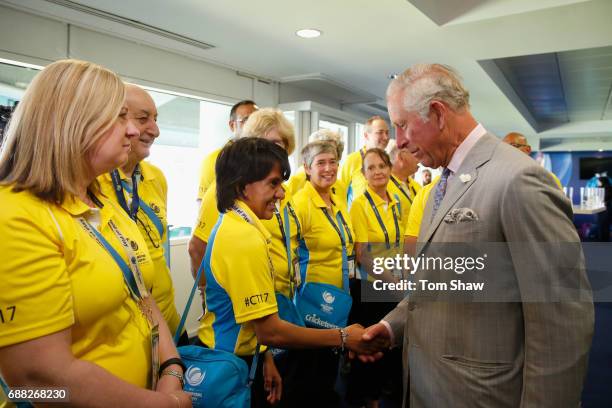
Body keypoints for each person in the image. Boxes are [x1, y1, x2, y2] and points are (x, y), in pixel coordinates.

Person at [361, 63, 594, 407]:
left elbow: (561, 322)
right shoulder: (442, 183)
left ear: (438, 114)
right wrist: (393, 326)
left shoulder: (517, 180)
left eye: (403, 125)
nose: (400, 141)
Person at [0, 59, 191, 407]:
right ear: (72, 122)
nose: (133, 131)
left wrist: (171, 368)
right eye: (119, 117)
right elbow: (33, 382)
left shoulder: (100, 200)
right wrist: (163, 404)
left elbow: (141, 295)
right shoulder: (14, 216)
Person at [196, 138, 385, 407]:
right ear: (241, 186)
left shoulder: (240, 225)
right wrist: (343, 337)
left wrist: (266, 358)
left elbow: (253, 322)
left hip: (248, 356)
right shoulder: (243, 238)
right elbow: (270, 332)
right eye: (273, 183)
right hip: (232, 363)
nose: (282, 193)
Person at [98, 84, 184, 342]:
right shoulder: (93, 181)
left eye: (155, 119)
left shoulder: (155, 177)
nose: (155, 130)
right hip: (125, 329)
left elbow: (158, 247)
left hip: (168, 316)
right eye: (143, 118)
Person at [188, 108, 295, 290]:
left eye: (279, 144)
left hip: (283, 295)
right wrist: (209, 294)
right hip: (245, 300)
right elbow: (197, 249)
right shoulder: (224, 190)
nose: (272, 152)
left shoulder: (283, 190)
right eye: (266, 144)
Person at [291, 140, 357, 406]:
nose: (329, 168)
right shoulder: (299, 204)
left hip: (337, 298)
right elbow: (290, 255)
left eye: (333, 162)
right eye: (321, 163)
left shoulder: (337, 199)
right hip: (312, 304)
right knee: (311, 376)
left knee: (329, 372)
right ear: (307, 168)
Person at [347, 148, 404, 408]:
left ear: (390, 168)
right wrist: (393, 282)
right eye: (371, 168)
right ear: (363, 174)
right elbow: (362, 255)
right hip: (371, 287)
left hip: (396, 285)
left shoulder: (397, 201)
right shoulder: (359, 204)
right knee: (371, 351)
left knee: (392, 350)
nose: (378, 171)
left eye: (382, 165)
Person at [196, 100, 258, 202]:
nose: (254, 125)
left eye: (258, 120)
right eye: (247, 120)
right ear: (232, 125)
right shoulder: (215, 159)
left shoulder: (266, 159)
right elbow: (203, 204)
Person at [340, 115, 390, 206]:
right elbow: (339, 194)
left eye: (387, 133)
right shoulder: (352, 160)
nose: (386, 137)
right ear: (366, 135)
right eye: (380, 133)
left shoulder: (388, 161)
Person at [285, 128, 346, 201]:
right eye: (321, 147)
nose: (327, 151)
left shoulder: (340, 187)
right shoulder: (298, 179)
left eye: (331, 149)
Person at [386, 139, 422, 222]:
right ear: (401, 157)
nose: (418, 158)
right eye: (414, 153)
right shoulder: (383, 189)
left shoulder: (418, 187)